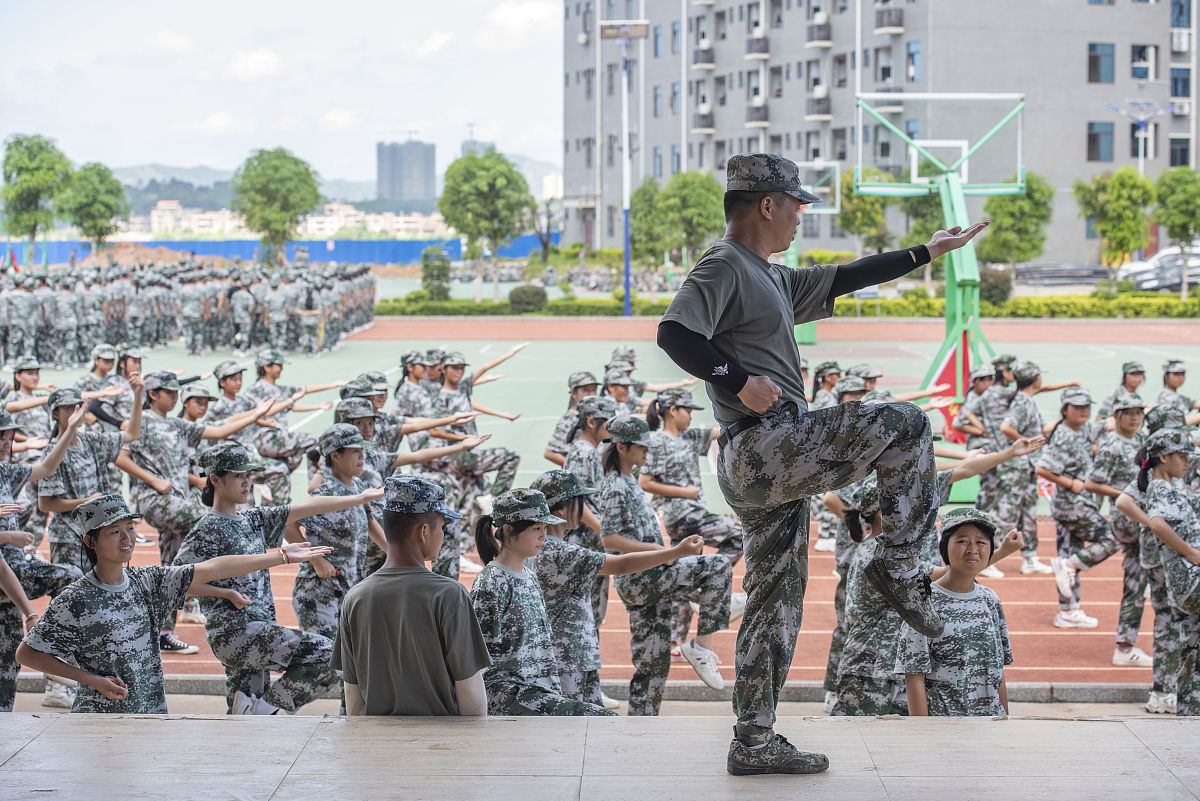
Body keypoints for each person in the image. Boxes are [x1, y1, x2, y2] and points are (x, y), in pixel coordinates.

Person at [657, 152, 987, 774]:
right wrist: (737, 378)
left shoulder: (772, 278)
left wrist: (927, 252)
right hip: (764, 442)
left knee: (775, 600)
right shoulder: (726, 264)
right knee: (908, 424)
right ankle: (900, 569)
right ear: (767, 205)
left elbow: (845, 276)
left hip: (764, 462)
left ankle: (753, 740)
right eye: (797, 205)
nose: (801, 217)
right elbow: (675, 333)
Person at [16, 494, 334, 713]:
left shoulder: (147, 581)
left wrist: (281, 556)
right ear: (90, 541)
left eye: (130, 528)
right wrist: (90, 680)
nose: (126, 539)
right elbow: (28, 653)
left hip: (151, 712)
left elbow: (212, 568)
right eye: (114, 532)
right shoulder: (77, 598)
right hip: (98, 718)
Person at [173, 441, 380, 714]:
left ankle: (253, 721)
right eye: (239, 476)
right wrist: (224, 593)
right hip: (236, 633)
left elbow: (309, 507)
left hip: (256, 630)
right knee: (333, 656)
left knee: (243, 712)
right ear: (215, 479)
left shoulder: (252, 519)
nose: (247, 482)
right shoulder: (208, 528)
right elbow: (178, 579)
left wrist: (359, 498)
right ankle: (269, 709)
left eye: (249, 476)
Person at [116, 371, 279, 653]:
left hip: (178, 501)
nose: (175, 396)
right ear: (153, 394)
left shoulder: (178, 425)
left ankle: (161, 632)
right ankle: (231, 569)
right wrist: (153, 479)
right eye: (169, 392)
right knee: (213, 522)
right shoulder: (141, 423)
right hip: (157, 500)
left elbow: (218, 432)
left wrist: (256, 414)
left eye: (176, 392)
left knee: (173, 572)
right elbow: (119, 456)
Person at [531, 469, 706, 708]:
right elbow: (621, 564)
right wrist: (676, 552)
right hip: (567, 662)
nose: (584, 509)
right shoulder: (558, 552)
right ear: (561, 509)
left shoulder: (549, 548)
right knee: (569, 730)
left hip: (575, 658)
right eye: (580, 503)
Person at [598, 415, 733, 712]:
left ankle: (641, 726)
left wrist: (669, 553)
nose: (648, 451)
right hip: (640, 577)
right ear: (622, 447)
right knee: (719, 567)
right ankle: (701, 647)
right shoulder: (616, 485)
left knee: (652, 662)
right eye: (642, 446)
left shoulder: (629, 481)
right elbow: (610, 539)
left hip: (648, 573)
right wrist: (670, 553)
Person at [333, 475, 490, 716]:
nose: (443, 535)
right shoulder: (449, 595)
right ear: (424, 531)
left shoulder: (355, 597)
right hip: (436, 744)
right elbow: (471, 695)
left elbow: (353, 697)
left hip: (375, 746)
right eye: (441, 526)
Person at [470, 488, 615, 717]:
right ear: (508, 530)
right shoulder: (492, 582)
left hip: (540, 690)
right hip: (509, 694)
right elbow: (477, 657)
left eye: (545, 528)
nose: (544, 536)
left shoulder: (529, 576)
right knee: (601, 718)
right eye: (536, 528)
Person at [642, 388, 747, 649]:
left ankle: (675, 641)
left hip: (691, 514)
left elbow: (721, 432)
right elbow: (645, 481)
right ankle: (703, 587)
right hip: (682, 513)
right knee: (737, 536)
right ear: (672, 411)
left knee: (687, 569)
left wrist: (749, 414)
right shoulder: (656, 443)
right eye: (687, 410)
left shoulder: (689, 437)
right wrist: (684, 492)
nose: (690, 415)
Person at [0, 405, 89, 713]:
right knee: (70, 575)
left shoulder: (4, 472)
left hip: (11, 579)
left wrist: (69, 430)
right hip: (10, 570)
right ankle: (55, 649)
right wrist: (8, 537)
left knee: (7, 663)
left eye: (8, 439)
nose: (4, 445)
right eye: (0, 438)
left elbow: (46, 468)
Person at [896, 508, 1013, 717]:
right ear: (945, 548)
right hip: (946, 728)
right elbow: (914, 676)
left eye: (981, 542)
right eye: (962, 541)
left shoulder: (990, 600)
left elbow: (998, 672)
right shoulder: (923, 605)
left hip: (990, 725)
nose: (972, 549)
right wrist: (922, 735)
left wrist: (1005, 720)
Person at [291, 425, 387, 641]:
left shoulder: (357, 486)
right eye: (355, 452)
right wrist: (317, 560)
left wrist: (395, 554)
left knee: (346, 663)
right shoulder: (326, 493)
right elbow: (289, 523)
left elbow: (370, 523)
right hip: (319, 593)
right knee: (328, 665)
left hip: (347, 589)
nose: (362, 457)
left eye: (363, 452)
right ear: (335, 455)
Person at [38, 382, 144, 574]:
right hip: (68, 538)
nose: (76, 412)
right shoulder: (53, 452)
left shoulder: (91, 441)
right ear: (55, 414)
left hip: (97, 535)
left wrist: (138, 396)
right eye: (69, 408)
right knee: (71, 596)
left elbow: (132, 434)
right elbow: (46, 504)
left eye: (78, 406)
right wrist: (86, 502)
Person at [1037, 389, 1116, 630]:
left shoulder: (1083, 429)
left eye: (1086, 406)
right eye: (1077, 407)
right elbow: (1042, 468)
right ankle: (1070, 566)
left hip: (1070, 506)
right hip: (1073, 506)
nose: (1083, 410)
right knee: (1113, 537)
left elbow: (1108, 425)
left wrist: (1139, 410)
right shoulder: (1064, 436)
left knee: (1070, 555)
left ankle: (1068, 610)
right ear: (1065, 410)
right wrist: (1072, 484)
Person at [1084, 395, 1151, 664]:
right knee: (1137, 582)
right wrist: (1125, 496)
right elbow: (1091, 483)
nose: (1134, 417)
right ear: (1117, 415)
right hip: (1128, 520)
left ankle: (1126, 644)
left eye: (1138, 413)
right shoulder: (1112, 445)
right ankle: (1124, 646)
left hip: (1142, 519)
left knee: (1138, 582)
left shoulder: (1141, 439)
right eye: (1129, 413)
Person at [1139, 428, 1200, 716]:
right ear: (1164, 457)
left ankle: (1189, 712)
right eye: (1181, 455)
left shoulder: (1169, 486)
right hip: (1190, 579)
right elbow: (1157, 524)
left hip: (1184, 584)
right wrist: (1190, 552)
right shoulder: (1161, 487)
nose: (1187, 461)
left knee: (1191, 649)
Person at [544, 370, 600, 467]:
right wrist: (578, 468)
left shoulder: (597, 415)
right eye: (586, 390)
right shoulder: (569, 420)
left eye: (594, 390)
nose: (591, 394)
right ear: (573, 393)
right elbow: (550, 453)